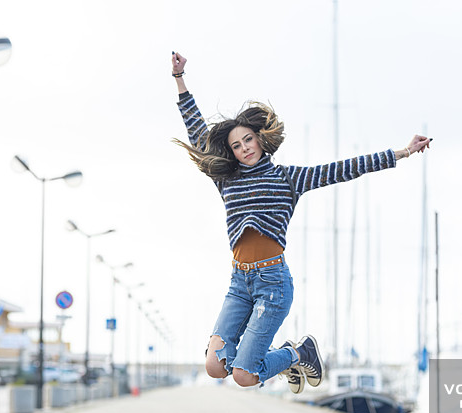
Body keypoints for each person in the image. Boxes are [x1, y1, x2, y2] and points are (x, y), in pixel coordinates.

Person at [171, 51, 430, 394]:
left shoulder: (287, 178)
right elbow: (198, 135)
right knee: (215, 366)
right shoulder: (227, 180)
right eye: (235, 145)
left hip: (272, 284)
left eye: (247, 139)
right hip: (239, 282)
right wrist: (180, 79)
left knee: (244, 376)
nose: (243, 148)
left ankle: (299, 353)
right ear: (230, 152)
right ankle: (286, 358)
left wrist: (402, 152)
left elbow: (343, 169)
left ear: (260, 139)